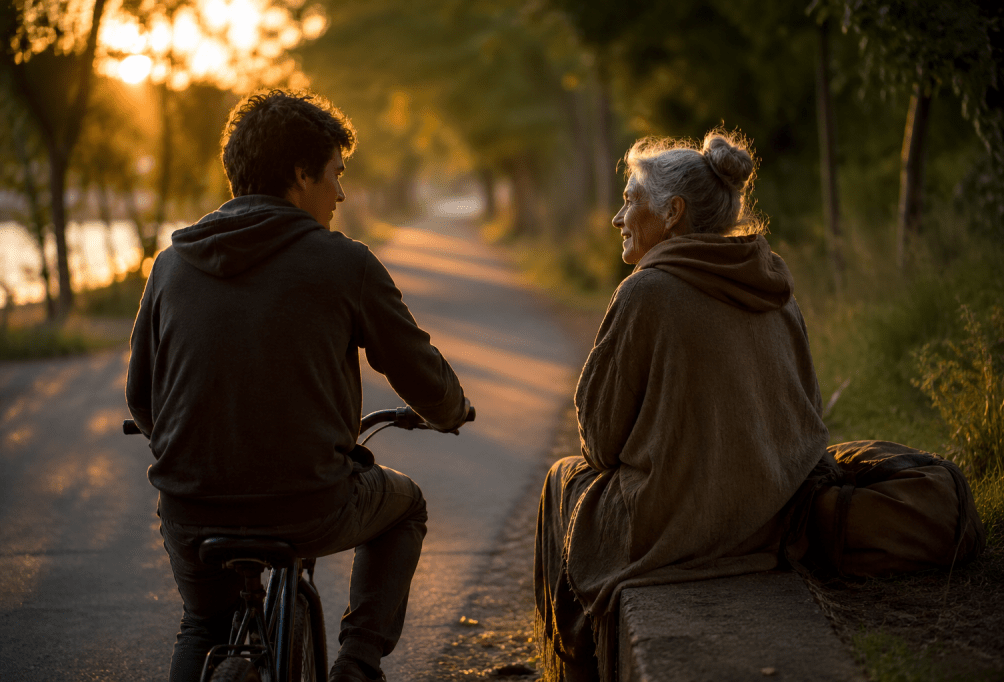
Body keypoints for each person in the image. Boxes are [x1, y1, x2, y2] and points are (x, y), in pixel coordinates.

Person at [126, 89, 471, 682]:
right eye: (335, 174)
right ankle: (358, 666)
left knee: (203, 623)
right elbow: (418, 371)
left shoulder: (169, 265)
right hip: (309, 506)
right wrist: (451, 409)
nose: (340, 193)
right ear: (299, 173)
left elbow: (142, 397)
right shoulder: (346, 264)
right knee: (406, 504)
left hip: (189, 509)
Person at [534, 131, 829, 681]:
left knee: (564, 481)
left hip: (677, 524)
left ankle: (576, 669)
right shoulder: (772, 281)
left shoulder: (647, 291)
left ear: (672, 213)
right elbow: (807, 412)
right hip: (775, 518)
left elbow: (598, 441)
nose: (617, 218)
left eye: (630, 201)